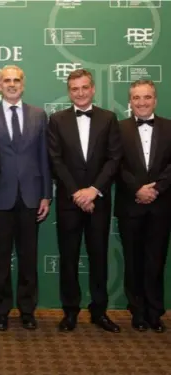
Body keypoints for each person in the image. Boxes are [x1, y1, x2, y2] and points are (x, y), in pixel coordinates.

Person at [47, 68, 122, 333]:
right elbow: (55, 159)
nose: (80, 92)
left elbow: (114, 158)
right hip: (70, 202)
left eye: (84, 87)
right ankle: (70, 311)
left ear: (93, 89)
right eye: (74, 88)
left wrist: (94, 190)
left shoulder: (109, 118)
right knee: (68, 258)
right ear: (69, 92)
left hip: (98, 201)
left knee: (98, 256)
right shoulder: (56, 120)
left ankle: (99, 311)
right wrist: (77, 193)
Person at [0, 65, 51, 331]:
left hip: (31, 197)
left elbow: (45, 157)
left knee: (28, 258)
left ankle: (28, 309)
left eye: (16, 80)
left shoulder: (39, 115)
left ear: (23, 83)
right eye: (6, 80)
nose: (11, 84)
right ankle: (0, 310)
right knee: (0, 258)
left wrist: (46, 194)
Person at [115, 79, 171, 333]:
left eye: (147, 97)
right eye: (136, 98)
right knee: (133, 260)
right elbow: (117, 165)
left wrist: (156, 189)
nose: (142, 102)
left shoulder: (170, 127)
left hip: (161, 206)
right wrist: (137, 189)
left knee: (156, 260)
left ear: (155, 100)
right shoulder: (118, 128)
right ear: (130, 102)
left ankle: (154, 311)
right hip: (131, 205)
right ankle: (137, 310)